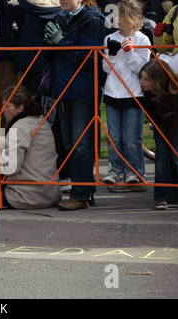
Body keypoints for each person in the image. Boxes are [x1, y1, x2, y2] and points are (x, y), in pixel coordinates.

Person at [42, 0, 106, 211]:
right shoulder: (61, 17)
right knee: (70, 143)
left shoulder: (93, 21)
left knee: (81, 144)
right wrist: (48, 44)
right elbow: (50, 57)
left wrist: (60, 41)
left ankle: (81, 194)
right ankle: (84, 190)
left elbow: (88, 59)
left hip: (81, 90)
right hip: (63, 88)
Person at [0, 85, 62, 209]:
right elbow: (21, 140)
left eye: (6, 106)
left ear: (20, 108)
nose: (2, 110)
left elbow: (9, 168)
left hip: (25, 197)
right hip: (50, 194)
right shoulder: (40, 122)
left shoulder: (19, 127)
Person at [101, 0, 150, 185]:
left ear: (134, 19)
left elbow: (141, 69)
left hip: (133, 94)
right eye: (117, 15)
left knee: (131, 137)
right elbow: (106, 68)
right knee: (114, 137)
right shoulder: (110, 38)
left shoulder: (142, 39)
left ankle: (134, 172)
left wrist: (129, 52)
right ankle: (115, 170)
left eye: (121, 16)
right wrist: (112, 54)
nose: (117, 19)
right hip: (113, 93)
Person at [139, 58, 178, 210]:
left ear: (159, 80)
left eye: (146, 79)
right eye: (141, 77)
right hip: (161, 125)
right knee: (161, 157)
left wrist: (170, 134)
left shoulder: (175, 89)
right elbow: (151, 115)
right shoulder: (146, 94)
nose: (142, 82)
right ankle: (162, 196)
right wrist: (162, 132)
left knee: (177, 157)